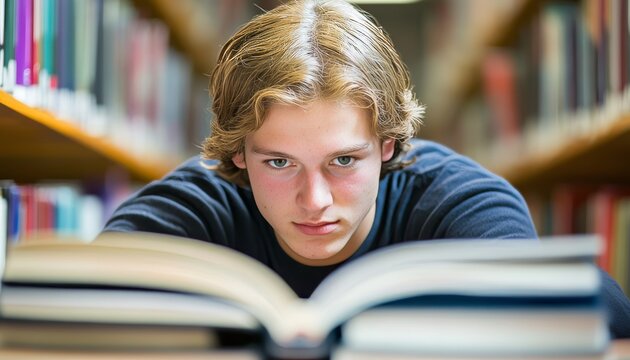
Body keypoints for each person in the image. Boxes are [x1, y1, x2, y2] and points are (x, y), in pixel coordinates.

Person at [103, 0, 630, 338]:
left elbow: (596, 316)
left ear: (388, 144)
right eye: (280, 162)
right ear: (238, 152)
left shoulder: (459, 201)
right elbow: (76, 301)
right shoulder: (199, 201)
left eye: (344, 161)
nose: (315, 200)